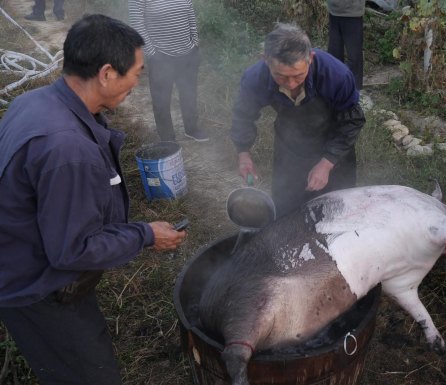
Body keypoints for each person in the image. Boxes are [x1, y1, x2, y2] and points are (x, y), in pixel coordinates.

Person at [0, 14, 186, 385]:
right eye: (136, 72)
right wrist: (145, 235)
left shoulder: (34, 102)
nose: (138, 81)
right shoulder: (67, 149)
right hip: (37, 289)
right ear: (106, 73)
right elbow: (71, 251)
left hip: (23, 259)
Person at [230, 23, 365, 218]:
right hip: (290, 142)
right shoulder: (255, 78)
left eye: (298, 76)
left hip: (334, 140)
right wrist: (243, 154)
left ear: (310, 59)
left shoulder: (336, 75)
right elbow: (243, 114)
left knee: (336, 209)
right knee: (286, 206)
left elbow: (352, 121)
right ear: (266, 60)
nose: (291, 84)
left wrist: (326, 164)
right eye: (281, 77)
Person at [128, 0, 207, 142]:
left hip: (188, 53)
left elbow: (189, 11)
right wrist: (152, 52)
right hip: (161, 56)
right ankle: (167, 138)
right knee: (161, 101)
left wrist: (195, 42)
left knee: (189, 94)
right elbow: (137, 22)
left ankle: (192, 129)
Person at [327, 0, 364, 89]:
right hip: (334, 11)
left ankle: (355, 90)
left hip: (352, 13)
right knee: (334, 54)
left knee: (354, 56)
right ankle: (336, 87)